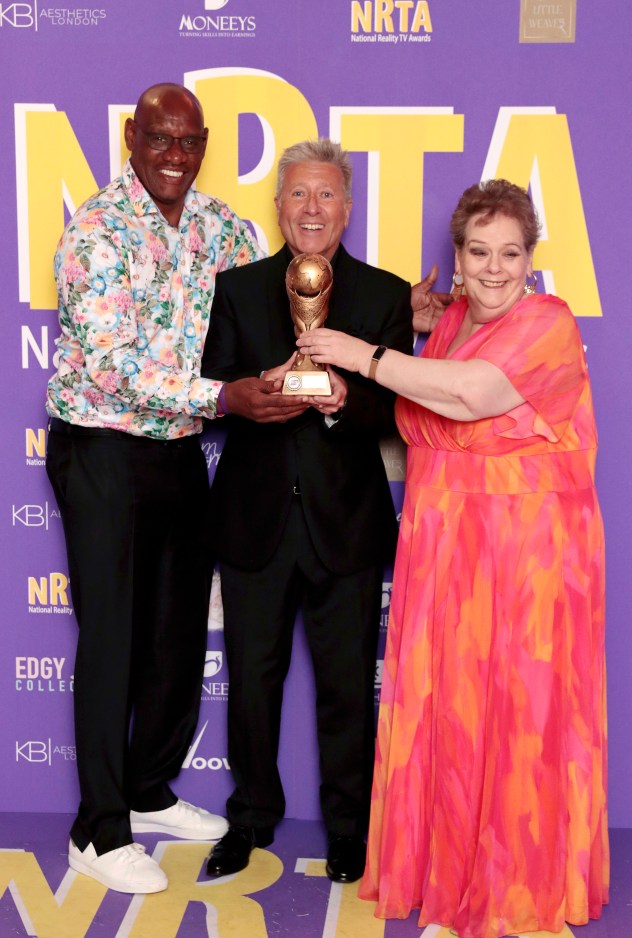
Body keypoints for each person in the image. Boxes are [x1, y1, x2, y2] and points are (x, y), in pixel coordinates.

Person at [297, 179, 608, 938]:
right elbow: (430, 398)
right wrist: (411, 326)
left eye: (510, 253)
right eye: (479, 252)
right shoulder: (456, 321)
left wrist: (363, 353)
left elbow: (470, 397)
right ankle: (450, 860)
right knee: (457, 716)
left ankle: (517, 875)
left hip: (525, 565)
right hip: (450, 559)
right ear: (457, 258)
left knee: (516, 713)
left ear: (531, 260)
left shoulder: (549, 323)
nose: (494, 268)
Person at [45, 82, 306, 895]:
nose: (173, 155)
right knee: (115, 635)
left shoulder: (224, 227)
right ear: (131, 137)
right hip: (102, 445)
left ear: (204, 142)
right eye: (158, 138)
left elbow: (278, 310)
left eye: (187, 141)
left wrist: (396, 311)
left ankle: (152, 788)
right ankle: (98, 827)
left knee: (174, 635)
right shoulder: (94, 229)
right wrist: (223, 396)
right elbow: (112, 363)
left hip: (183, 451)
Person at [202, 138, 414, 884]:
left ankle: (352, 832)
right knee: (252, 684)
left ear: (347, 208)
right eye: (298, 194)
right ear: (280, 205)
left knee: (348, 686)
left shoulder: (385, 295)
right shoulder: (236, 288)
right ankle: (251, 817)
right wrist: (262, 383)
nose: (312, 208)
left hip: (346, 524)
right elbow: (215, 389)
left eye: (326, 195)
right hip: (255, 522)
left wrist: (343, 400)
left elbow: (395, 409)